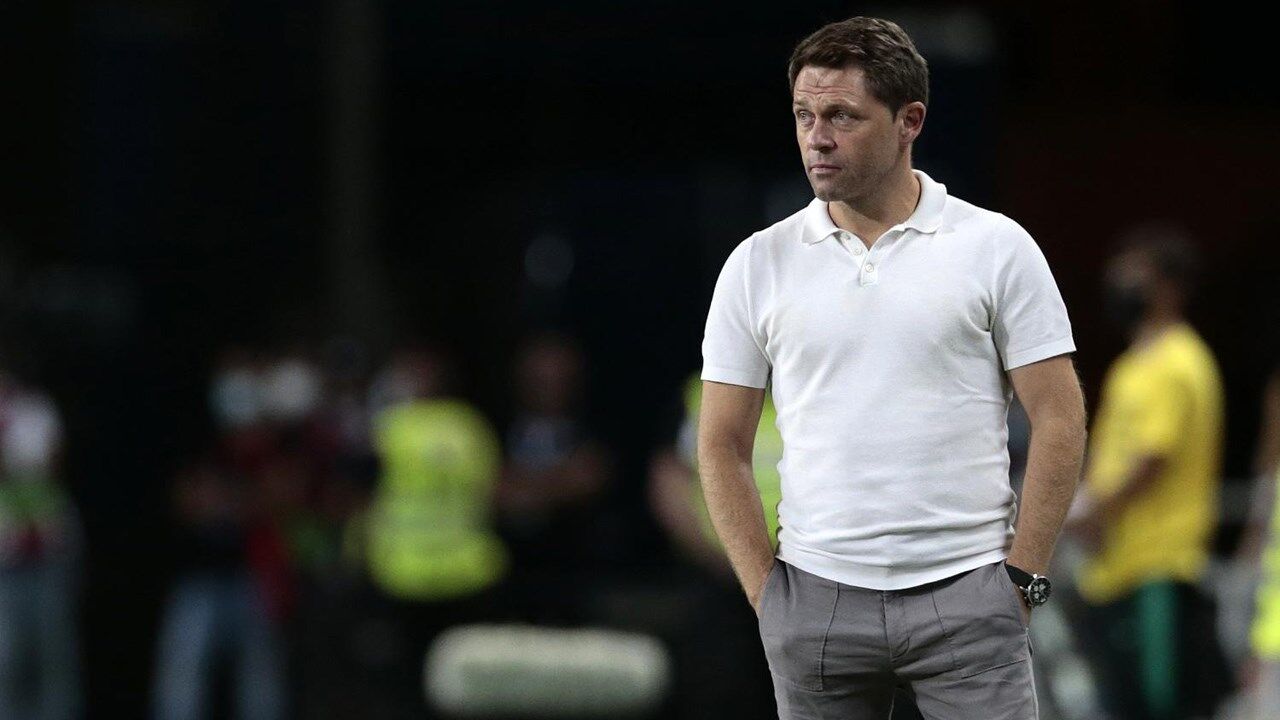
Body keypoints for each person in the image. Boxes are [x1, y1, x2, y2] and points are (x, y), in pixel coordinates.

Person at [696, 17, 1087, 719]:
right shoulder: (757, 264)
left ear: (910, 121)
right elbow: (720, 443)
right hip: (815, 599)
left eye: (842, 116)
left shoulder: (996, 247)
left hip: (969, 594)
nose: (817, 137)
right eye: (804, 115)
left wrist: (1024, 579)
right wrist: (769, 597)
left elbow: (1060, 417)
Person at [1066, 226, 1229, 720]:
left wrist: (1093, 514)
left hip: (1157, 566)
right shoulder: (1132, 365)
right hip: (1116, 569)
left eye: (1134, 275)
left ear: (1168, 287)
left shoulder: (1177, 361)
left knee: (1161, 705)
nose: (1120, 285)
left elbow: (1153, 459)